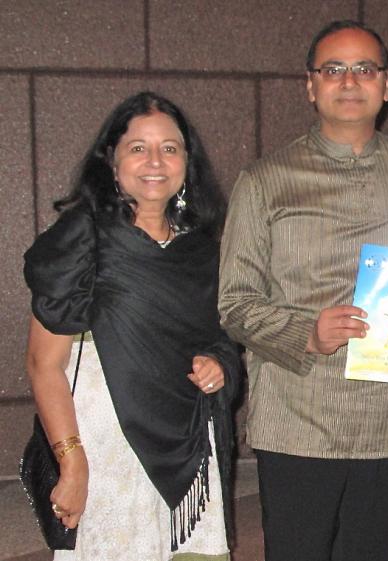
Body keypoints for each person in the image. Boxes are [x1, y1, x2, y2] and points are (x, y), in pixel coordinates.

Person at [218, 19, 388, 561]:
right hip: (299, 415)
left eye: (364, 69)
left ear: (387, 85)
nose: (349, 81)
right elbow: (235, 302)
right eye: (333, 69)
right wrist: (305, 333)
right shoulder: (266, 180)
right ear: (310, 85)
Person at [23, 91, 241, 561]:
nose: (155, 161)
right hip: (105, 443)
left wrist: (219, 363)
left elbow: (218, 337)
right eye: (138, 147)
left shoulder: (199, 249)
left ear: (187, 160)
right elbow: (44, 364)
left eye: (170, 147)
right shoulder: (82, 235)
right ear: (112, 158)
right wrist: (72, 462)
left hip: (187, 442)